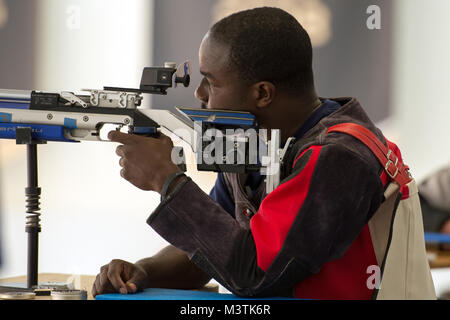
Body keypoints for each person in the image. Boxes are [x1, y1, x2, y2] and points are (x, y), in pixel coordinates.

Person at [92, 7, 434, 299]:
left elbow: (254, 275)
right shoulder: (256, 140)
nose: (199, 93)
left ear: (263, 94)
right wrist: (144, 271)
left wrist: (165, 180)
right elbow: (218, 245)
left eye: (212, 82)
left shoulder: (338, 157)